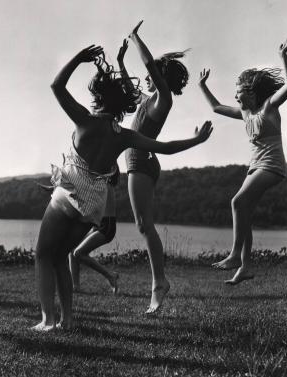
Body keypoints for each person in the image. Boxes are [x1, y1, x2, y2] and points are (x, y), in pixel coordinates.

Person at [32, 44, 212, 332]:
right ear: (122, 106)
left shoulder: (84, 120)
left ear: (97, 96)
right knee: (61, 257)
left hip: (71, 192)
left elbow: (56, 85)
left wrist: (78, 58)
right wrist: (196, 141)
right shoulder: (124, 135)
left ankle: (47, 320)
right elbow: (164, 148)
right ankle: (67, 319)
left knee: (43, 255)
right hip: (94, 203)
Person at [199, 39, 287, 284]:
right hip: (254, 167)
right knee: (244, 213)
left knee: (237, 201)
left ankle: (234, 255)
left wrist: (283, 56)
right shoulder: (245, 113)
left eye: (238, 92)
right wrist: (202, 85)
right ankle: (245, 268)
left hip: (272, 165)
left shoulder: (269, 107)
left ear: (251, 92)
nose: (235, 96)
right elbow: (216, 107)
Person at [119, 21, 191, 313]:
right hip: (139, 163)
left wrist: (136, 38)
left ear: (160, 77)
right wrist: (121, 61)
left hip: (142, 163)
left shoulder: (164, 100)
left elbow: (149, 66)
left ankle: (159, 283)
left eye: (152, 76)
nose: (146, 79)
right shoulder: (148, 101)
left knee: (144, 225)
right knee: (143, 225)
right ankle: (159, 282)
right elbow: (128, 88)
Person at [69, 167, 119, 294]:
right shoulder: (99, 182)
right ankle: (75, 287)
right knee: (72, 251)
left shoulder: (106, 183)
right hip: (98, 224)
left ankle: (110, 276)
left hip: (107, 226)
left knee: (79, 253)